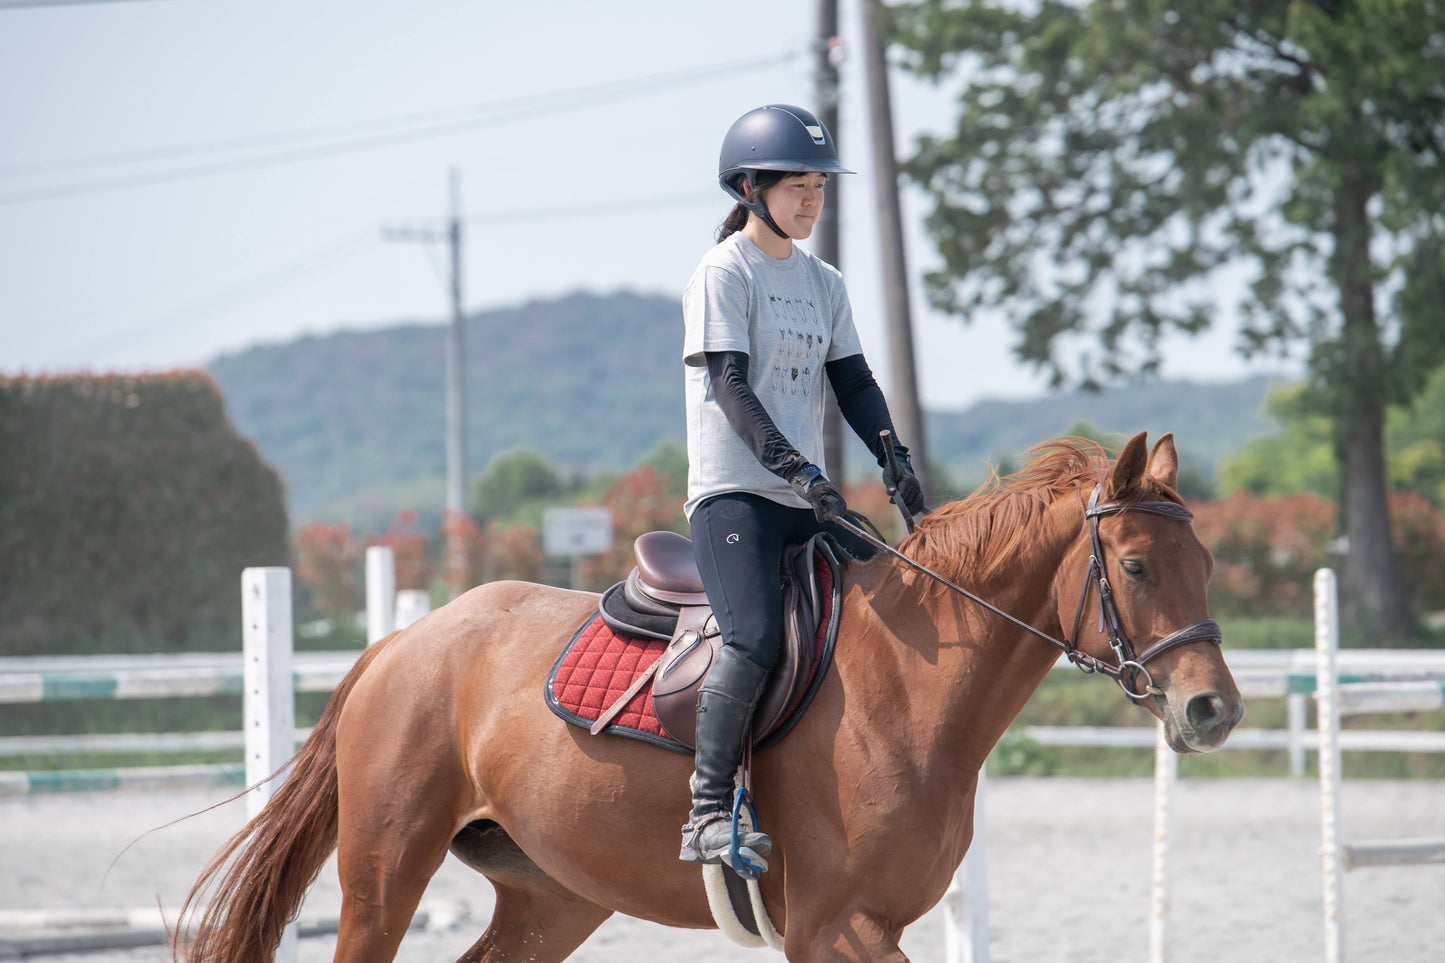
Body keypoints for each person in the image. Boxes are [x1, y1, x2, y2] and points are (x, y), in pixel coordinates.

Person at [679, 104, 928, 872]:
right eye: (797, 187)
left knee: (897, 599)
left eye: (819, 187)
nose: (812, 200)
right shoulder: (724, 272)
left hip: (806, 498)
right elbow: (729, 386)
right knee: (753, 637)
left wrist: (895, 462)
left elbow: (853, 383)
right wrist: (795, 467)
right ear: (749, 188)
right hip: (735, 496)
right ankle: (706, 809)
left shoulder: (824, 282)